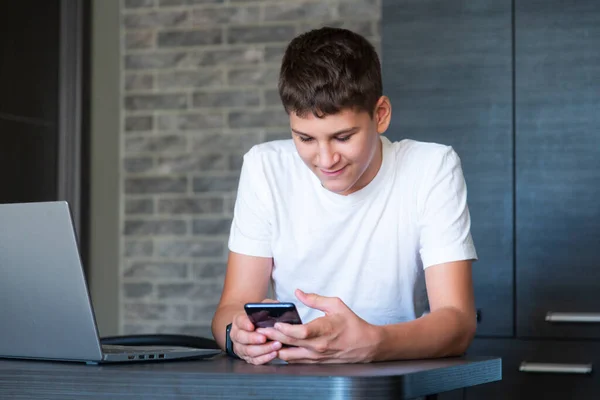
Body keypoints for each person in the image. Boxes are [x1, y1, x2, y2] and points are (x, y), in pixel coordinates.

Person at [211, 26, 478, 365]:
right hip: (291, 385)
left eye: (342, 136)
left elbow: (457, 322)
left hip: (390, 381)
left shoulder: (431, 167)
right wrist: (238, 338)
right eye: (305, 139)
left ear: (380, 115)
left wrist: (374, 343)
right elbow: (229, 311)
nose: (325, 160)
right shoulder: (265, 167)